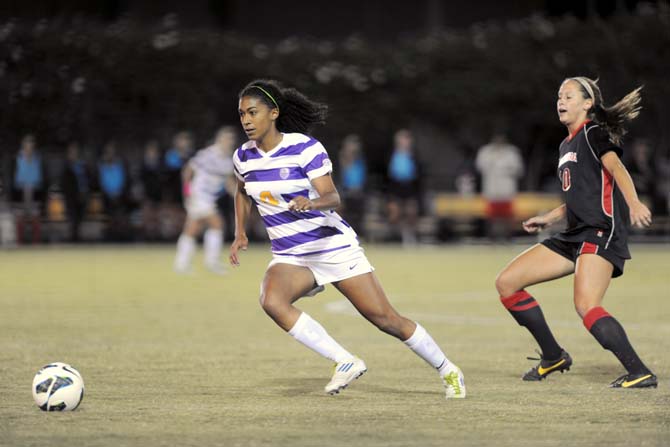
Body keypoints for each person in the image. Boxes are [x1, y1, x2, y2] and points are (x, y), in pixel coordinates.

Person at [229, 79, 465, 398]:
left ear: (273, 113)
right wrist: (240, 232)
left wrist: (311, 202)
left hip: (331, 247)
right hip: (292, 255)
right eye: (242, 113)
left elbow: (332, 196)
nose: (245, 120)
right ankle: (345, 361)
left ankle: (448, 370)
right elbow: (242, 191)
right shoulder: (243, 157)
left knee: (385, 319)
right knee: (271, 301)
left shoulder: (304, 147)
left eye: (252, 112)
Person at [495, 76, 656, 388]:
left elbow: (617, 170)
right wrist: (548, 218)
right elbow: (577, 198)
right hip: (574, 234)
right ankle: (553, 355)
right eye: (559, 96)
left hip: (600, 231)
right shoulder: (565, 145)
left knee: (586, 305)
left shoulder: (593, 133)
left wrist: (634, 203)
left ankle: (640, 372)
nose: (561, 101)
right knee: (508, 283)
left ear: (587, 104)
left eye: (568, 96)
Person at [174, 126, 236, 274]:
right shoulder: (207, 154)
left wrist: (238, 196)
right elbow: (187, 171)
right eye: (226, 139)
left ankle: (181, 264)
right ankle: (211, 262)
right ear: (219, 139)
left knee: (192, 228)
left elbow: (228, 182)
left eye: (231, 139)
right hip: (198, 195)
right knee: (217, 223)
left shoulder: (227, 160)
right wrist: (187, 193)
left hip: (209, 198)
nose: (229, 142)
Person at [475, 132, 524, 241]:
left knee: (507, 216)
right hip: (491, 189)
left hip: (507, 190)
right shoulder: (485, 152)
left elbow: (518, 169)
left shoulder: (512, 152)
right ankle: (491, 238)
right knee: (491, 216)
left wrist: (505, 169)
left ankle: (508, 237)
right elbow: (480, 167)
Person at [386, 129, 422, 245]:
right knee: (395, 214)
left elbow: (418, 172)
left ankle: (410, 236)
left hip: (410, 188)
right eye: (403, 139)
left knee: (411, 212)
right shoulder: (391, 154)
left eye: (407, 139)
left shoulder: (414, 155)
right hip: (395, 188)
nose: (406, 141)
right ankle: (397, 237)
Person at [13, 134, 43, 243]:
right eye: (27, 144)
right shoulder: (17, 158)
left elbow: (40, 175)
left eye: (31, 144)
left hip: (35, 190)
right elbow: (13, 174)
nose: (29, 147)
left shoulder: (37, 159)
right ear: (23, 145)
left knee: (36, 217)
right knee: (20, 217)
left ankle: (36, 243)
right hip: (20, 190)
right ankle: (20, 242)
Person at [337, 133, 367, 237]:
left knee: (358, 216)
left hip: (358, 192)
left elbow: (362, 176)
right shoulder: (341, 159)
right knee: (346, 216)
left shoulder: (360, 160)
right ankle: (346, 236)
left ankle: (358, 236)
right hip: (345, 192)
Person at [60, 141, 90, 242]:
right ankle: (73, 239)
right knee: (73, 219)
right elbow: (64, 184)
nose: (73, 153)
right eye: (71, 151)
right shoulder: (66, 167)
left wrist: (84, 192)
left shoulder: (83, 165)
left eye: (75, 151)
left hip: (83, 196)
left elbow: (88, 179)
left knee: (80, 220)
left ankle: (78, 239)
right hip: (71, 197)